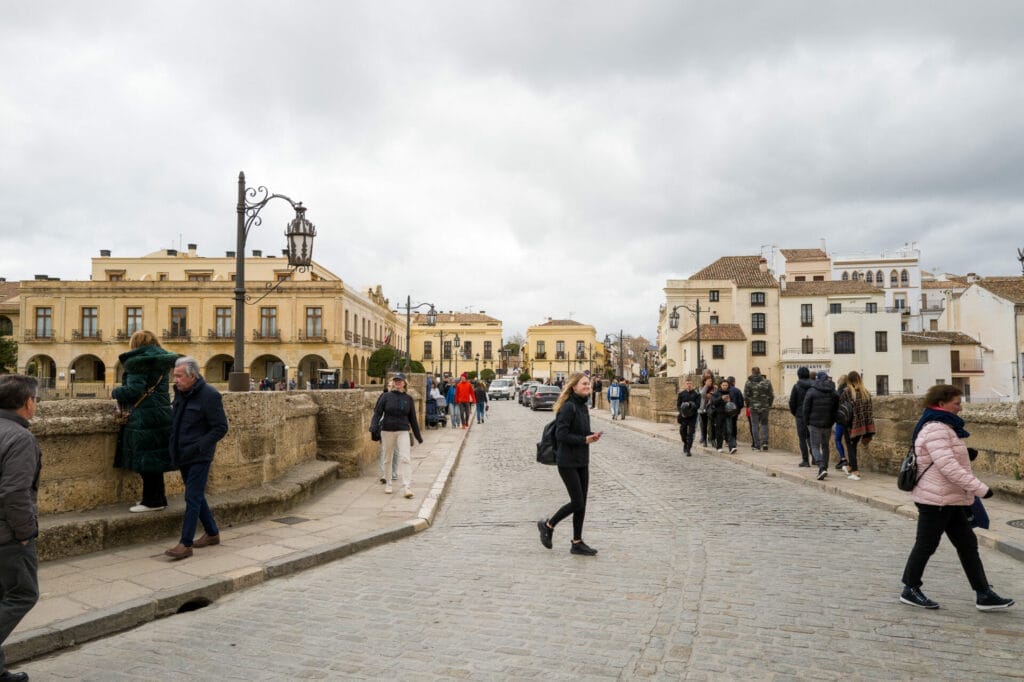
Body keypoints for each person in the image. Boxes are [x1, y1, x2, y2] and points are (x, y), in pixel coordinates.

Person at [899, 385, 1014, 611]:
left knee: (967, 544)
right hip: (936, 499)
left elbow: (945, 456)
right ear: (941, 404)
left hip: (948, 498)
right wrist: (980, 488)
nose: (960, 408)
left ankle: (983, 594)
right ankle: (909, 588)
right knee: (926, 544)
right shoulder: (937, 428)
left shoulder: (944, 425)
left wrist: (965, 454)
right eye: (957, 403)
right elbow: (947, 466)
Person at [164, 357, 229, 560]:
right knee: (196, 495)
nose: (175, 380)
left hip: (200, 456)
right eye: (174, 375)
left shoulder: (209, 395)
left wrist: (200, 446)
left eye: (179, 376)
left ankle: (185, 543)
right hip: (183, 453)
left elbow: (220, 427)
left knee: (191, 497)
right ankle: (212, 533)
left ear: (192, 376)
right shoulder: (181, 393)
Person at [0, 375, 41, 682]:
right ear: (28, 403)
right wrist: (25, 532)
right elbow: (15, 493)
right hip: (7, 535)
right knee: (23, 594)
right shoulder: (20, 438)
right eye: (35, 399)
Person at [536, 373, 603, 556]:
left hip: (582, 459)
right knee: (577, 501)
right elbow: (561, 435)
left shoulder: (582, 406)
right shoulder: (568, 407)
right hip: (567, 461)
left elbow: (579, 431)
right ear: (573, 387)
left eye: (588, 384)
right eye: (584, 384)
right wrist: (584, 439)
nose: (587, 386)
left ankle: (577, 542)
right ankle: (548, 525)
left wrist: (590, 435)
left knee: (582, 503)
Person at [112, 330, 178, 513]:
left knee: (147, 461)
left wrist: (115, 392)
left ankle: (152, 501)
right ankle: (158, 498)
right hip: (162, 414)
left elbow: (134, 390)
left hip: (144, 417)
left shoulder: (137, 362)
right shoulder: (163, 361)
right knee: (154, 459)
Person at [369, 373, 423, 498]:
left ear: (404, 383)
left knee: (405, 458)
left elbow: (413, 419)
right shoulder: (386, 396)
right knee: (387, 458)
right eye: (396, 380)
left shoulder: (408, 399)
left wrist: (418, 436)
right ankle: (388, 483)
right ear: (393, 383)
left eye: (400, 380)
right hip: (387, 430)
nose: (398, 382)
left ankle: (407, 487)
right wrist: (373, 425)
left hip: (402, 430)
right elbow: (377, 413)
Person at [802, 371, 838, 481]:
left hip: (814, 423)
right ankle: (825, 467)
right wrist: (832, 421)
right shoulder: (833, 392)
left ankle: (821, 466)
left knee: (814, 446)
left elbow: (806, 408)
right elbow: (835, 409)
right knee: (825, 446)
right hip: (827, 423)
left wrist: (806, 422)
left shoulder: (812, 391)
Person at [839, 371, 875, 481]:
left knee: (851, 447)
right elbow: (869, 412)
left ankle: (855, 471)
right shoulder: (866, 393)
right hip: (863, 426)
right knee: (853, 445)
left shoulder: (847, 392)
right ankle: (850, 467)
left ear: (848, 380)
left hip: (850, 425)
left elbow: (841, 408)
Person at [743, 367, 774, 452]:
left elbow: (745, 396)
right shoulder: (767, 382)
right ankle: (765, 443)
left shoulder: (749, 383)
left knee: (755, 425)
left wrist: (748, 404)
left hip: (753, 407)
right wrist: (769, 404)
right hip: (765, 406)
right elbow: (771, 395)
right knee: (764, 424)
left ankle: (757, 445)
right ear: (760, 372)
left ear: (752, 373)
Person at [375, 379, 399, 484]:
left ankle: (393, 472)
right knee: (384, 450)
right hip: (384, 427)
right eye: (389, 386)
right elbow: (377, 411)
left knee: (396, 452)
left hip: (397, 427)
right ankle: (385, 474)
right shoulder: (383, 397)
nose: (390, 388)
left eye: (392, 386)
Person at [789, 367, 814, 467]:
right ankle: (815, 457)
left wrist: (795, 413)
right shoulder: (813, 385)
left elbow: (792, 402)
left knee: (802, 438)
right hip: (812, 414)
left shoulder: (796, 387)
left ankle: (805, 460)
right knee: (811, 437)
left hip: (800, 414)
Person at [710, 380, 737, 453]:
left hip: (728, 414)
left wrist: (730, 400)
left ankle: (732, 447)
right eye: (723, 385)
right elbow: (713, 402)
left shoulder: (731, 393)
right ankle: (719, 447)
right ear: (720, 386)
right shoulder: (716, 393)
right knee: (719, 431)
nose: (725, 386)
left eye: (726, 385)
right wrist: (721, 398)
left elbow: (735, 402)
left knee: (729, 430)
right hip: (719, 414)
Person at [676, 379, 700, 456]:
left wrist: (690, 404)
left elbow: (697, 405)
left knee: (691, 433)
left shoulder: (696, 394)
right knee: (682, 432)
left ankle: (688, 449)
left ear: (692, 384)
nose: (689, 385)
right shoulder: (681, 394)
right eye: (687, 383)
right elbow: (678, 405)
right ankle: (685, 443)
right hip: (684, 416)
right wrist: (681, 412)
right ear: (685, 385)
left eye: (690, 383)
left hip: (692, 416)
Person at [833, 373, 850, 472]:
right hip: (850, 419)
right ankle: (848, 460)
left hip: (840, 419)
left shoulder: (838, 392)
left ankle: (843, 458)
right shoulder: (851, 391)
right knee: (849, 441)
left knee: (838, 439)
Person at [697, 376, 715, 448]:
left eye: (711, 381)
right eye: (708, 381)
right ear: (705, 382)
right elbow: (703, 395)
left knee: (712, 425)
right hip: (703, 409)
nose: (710, 382)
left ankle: (712, 440)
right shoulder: (701, 388)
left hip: (711, 409)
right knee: (704, 426)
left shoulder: (714, 388)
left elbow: (715, 396)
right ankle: (704, 441)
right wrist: (706, 386)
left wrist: (711, 395)